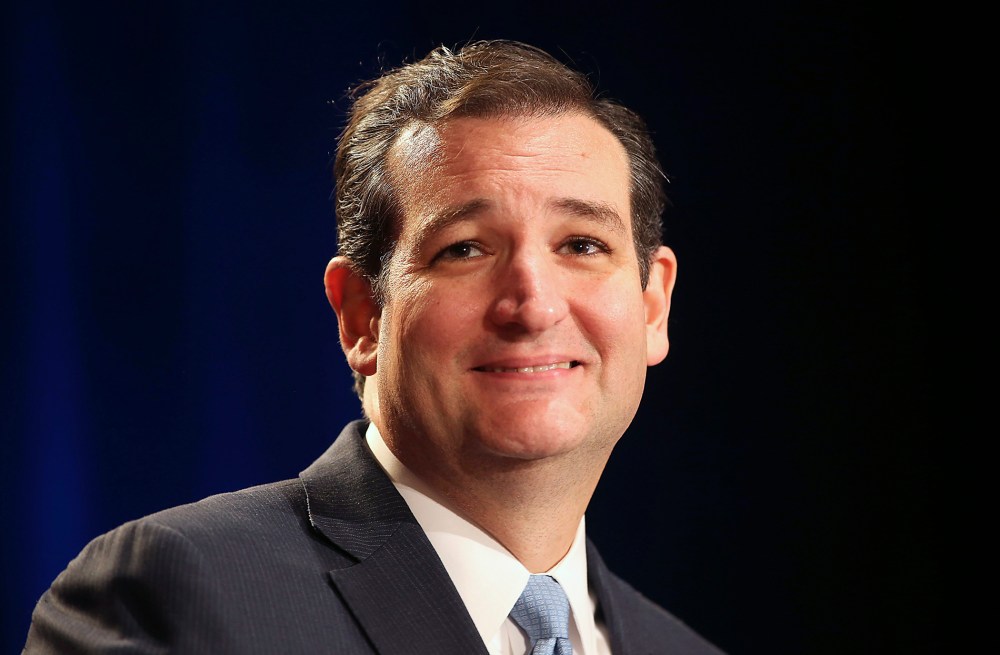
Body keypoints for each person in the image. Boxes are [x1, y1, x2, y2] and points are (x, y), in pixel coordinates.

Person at [25, 40, 723, 654]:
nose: (533, 304)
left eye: (581, 244)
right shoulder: (182, 598)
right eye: (465, 249)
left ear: (652, 304)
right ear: (362, 315)